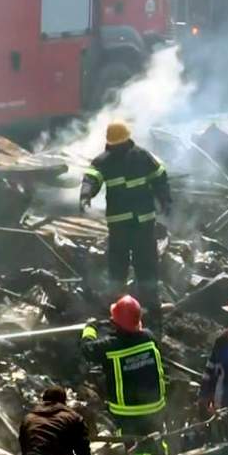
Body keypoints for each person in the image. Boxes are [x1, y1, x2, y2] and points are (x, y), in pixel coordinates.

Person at [80, 121, 172, 332]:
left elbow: (159, 178)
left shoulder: (107, 160)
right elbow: (90, 180)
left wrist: (85, 198)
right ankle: (145, 310)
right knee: (144, 264)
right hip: (140, 222)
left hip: (123, 223)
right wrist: (165, 200)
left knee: (122, 265)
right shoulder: (140, 156)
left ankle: (122, 310)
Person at [81, 295, 167, 455]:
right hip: (155, 407)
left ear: (116, 324)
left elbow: (87, 349)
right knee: (157, 440)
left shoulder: (110, 346)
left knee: (134, 449)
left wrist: (90, 328)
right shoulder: (149, 337)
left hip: (128, 413)